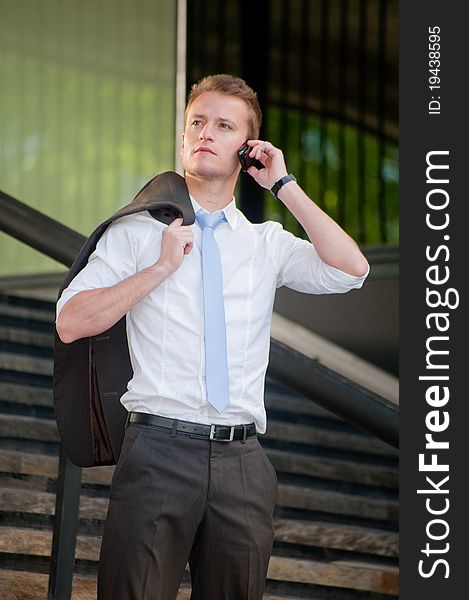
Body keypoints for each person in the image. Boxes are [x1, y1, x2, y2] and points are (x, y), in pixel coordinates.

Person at [56, 73, 369, 600]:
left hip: (242, 463)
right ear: (183, 139)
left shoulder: (266, 243)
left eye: (224, 126)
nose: (206, 132)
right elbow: (71, 321)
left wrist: (283, 186)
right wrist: (157, 270)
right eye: (197, 122)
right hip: (157, 450)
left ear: (247, 150)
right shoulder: (136, 231)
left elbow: (351, 269)